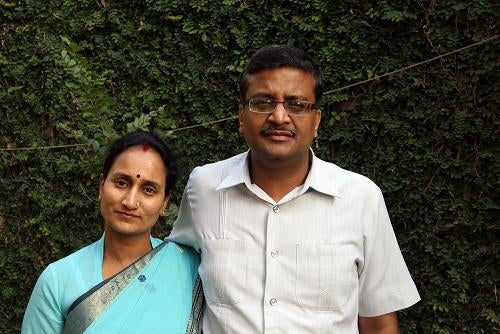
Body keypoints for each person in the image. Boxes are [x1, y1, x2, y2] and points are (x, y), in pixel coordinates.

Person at [168, 45, 420, 333]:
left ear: (316, 121)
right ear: (241, 117)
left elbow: (379, 323)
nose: (278, 117)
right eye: (262, 102)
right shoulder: (204, 187)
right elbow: (172, 274)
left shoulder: (361, 198)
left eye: (296, 105)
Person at [22, 131, 202, 334]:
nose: (130, 201)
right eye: (122, 183)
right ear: (101, 185)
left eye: (148, 190)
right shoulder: (58, 281)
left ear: (164, 203)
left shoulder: (191, 268)